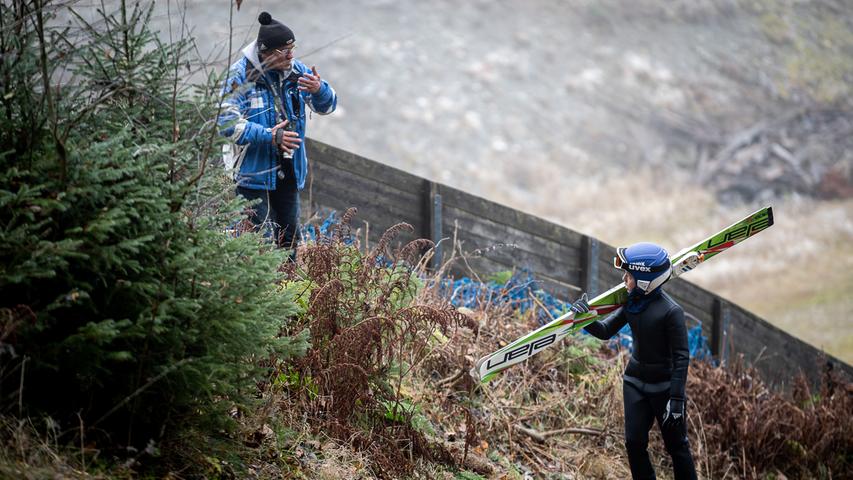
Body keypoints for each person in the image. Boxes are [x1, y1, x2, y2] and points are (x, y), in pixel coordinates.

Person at [571, 242, 697, 480]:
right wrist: (584, 318)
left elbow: (682, 357)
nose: (624, 279)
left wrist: (677, 400)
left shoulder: (672, 312)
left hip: (665, 389)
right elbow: (606, 330)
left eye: (628, 275)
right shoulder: (632, 303)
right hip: (634, 382)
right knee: (634, 443)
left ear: (645, 281)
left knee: (677, 447)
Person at [218, 11, 337, 260]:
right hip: (251, 174)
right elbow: (225, 123)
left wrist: (319, 90)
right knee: (256, 245)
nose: (292, 55)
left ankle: (288, 292)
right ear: (266, 52)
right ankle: (257, 294)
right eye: (285, 50)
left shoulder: (297, 71)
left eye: (293, 48)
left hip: (289, 170)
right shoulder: (240, 76)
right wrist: (270, 136)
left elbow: (327, 107)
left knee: (289, 241)